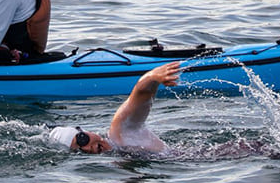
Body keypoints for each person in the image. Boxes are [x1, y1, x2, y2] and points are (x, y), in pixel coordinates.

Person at [49, 61, 183, 154]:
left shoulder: (119, 131)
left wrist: (153, 77)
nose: (87, 148)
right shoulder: (114, 156)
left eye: (82, 139)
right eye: (79, 149)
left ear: (85, 131)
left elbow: (141, 94)